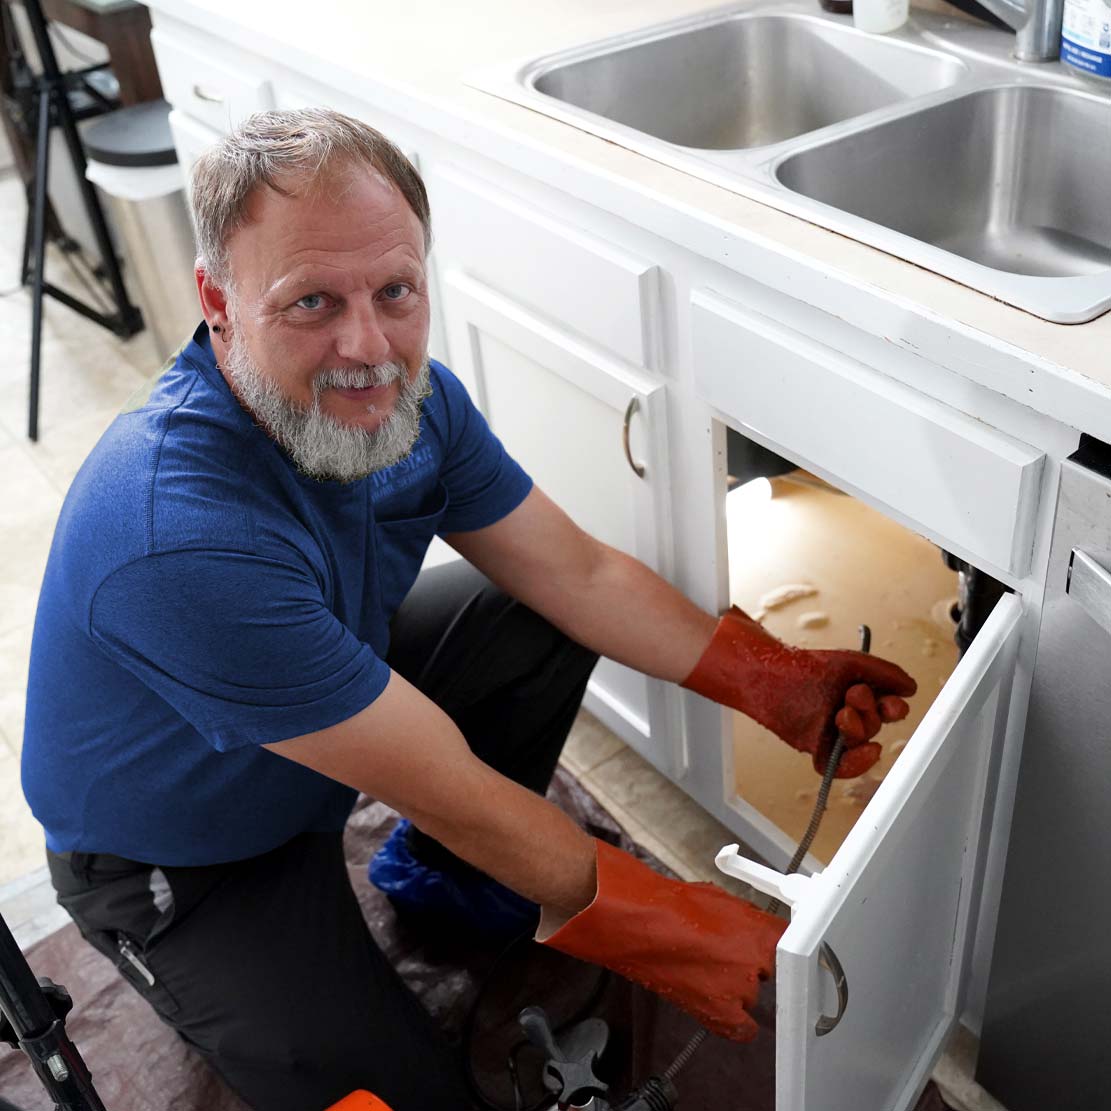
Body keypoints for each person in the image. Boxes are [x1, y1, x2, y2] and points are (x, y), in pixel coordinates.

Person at [20, 109, 916, 1111]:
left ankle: (454, 882)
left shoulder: (416, 405)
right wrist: (661, 925)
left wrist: (768, 677)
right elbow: (448, 781)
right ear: (215, 302)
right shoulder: (173, 535)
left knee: (532, 614)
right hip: (185, 857)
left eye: (394, 291)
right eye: (311, 301)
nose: (368, 347)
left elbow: (578, 574)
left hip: (324, 710)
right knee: (394, 1098)